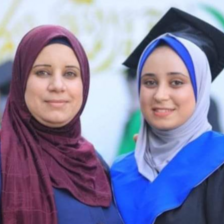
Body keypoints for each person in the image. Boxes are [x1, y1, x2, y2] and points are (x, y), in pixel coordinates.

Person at [0, 25, 124, 224]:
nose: (57, 85)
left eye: (70, 74)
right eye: (42, 72)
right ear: (21, 81)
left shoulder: (93, 162)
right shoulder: (4, 162)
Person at [111, 7, 224, 224]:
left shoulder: (218, 162)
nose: (160, 95)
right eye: (150, 82)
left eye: (176, 82)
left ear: (200, 90)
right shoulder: (119, 171)